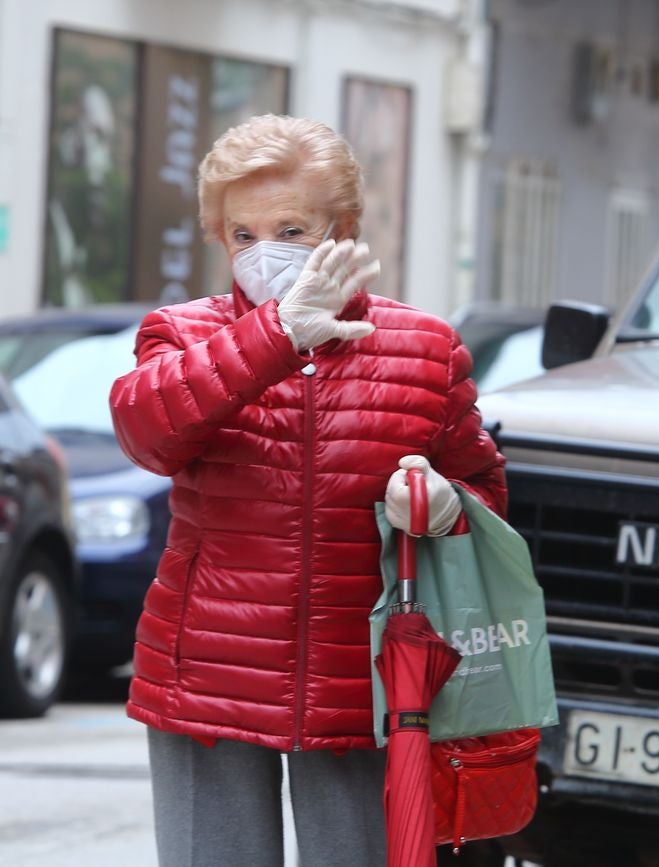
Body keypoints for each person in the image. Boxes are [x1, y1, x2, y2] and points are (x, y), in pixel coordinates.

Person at [109, 114, 505, 867]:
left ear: (342, 228)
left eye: (290, 228)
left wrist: (448, 506)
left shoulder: (424, 345)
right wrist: (276, 334)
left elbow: (484, 489)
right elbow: (147, 432)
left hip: (368, 680)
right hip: (206, 676)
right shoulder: (182, 333)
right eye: (242, 234)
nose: (264, 253)